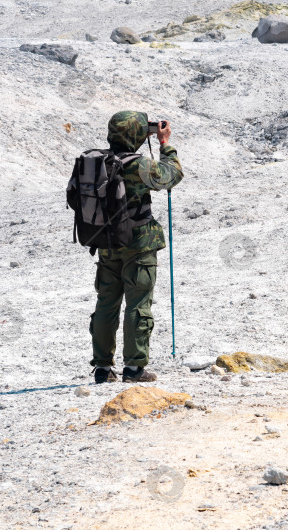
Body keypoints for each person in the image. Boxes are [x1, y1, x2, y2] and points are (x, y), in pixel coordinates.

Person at [89, 111, 184, 383]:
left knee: (106, 303)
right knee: (138, 303)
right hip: (139, 243)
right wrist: (165, 143)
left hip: (106, 242)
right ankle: (134, 368)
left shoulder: (97, 162)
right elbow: (172, 176)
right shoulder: (138, 164)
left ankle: (103, 369)